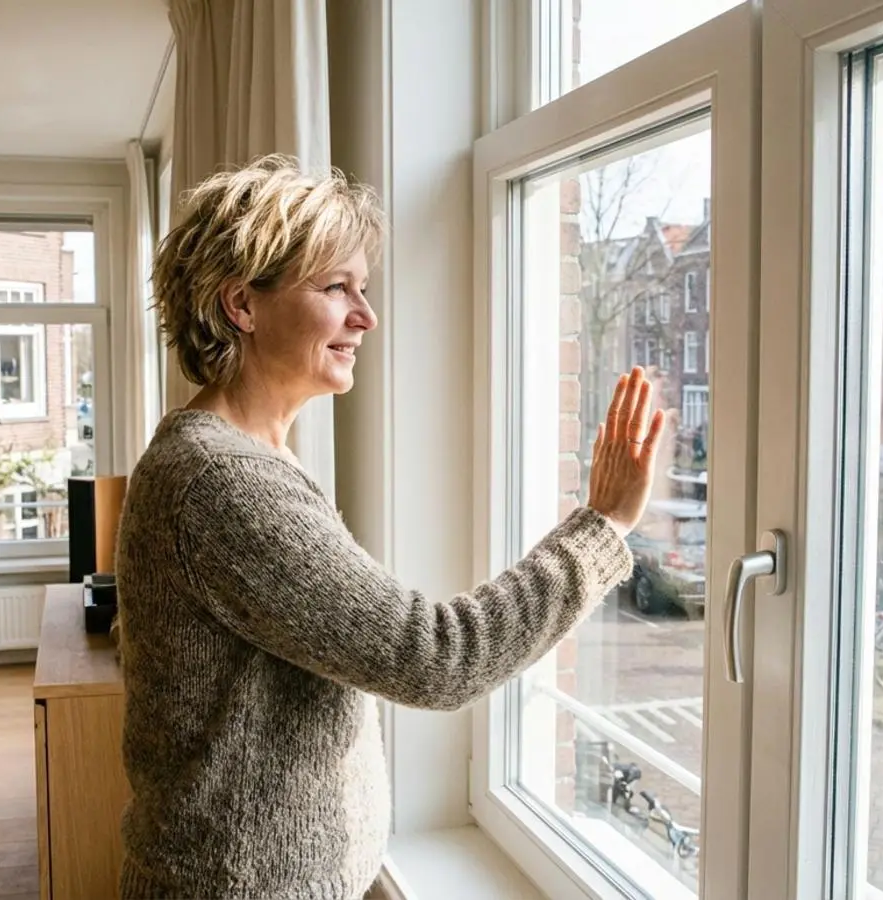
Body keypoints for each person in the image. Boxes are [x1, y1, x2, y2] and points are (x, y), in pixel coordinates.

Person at [115, 154, 666, 899]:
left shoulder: (241, 456)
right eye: (335, 288)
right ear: (242, 304)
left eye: (363, 289)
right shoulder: (223, 480)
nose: (365, 317)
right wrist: (603, 527)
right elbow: (436, 656)